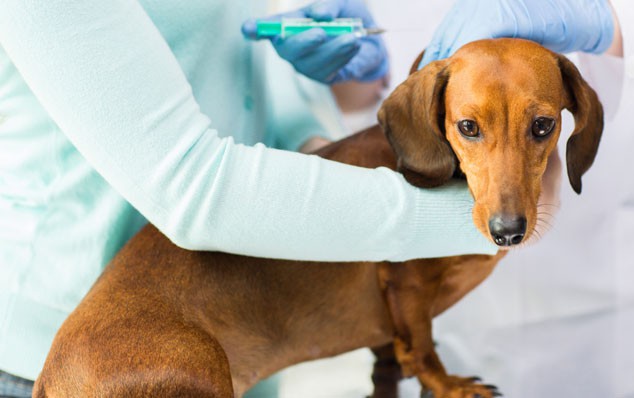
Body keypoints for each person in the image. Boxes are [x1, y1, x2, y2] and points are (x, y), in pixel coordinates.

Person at [0, 0, 505, 396]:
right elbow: (194, 188)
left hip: (228, 323)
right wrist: (492, 215)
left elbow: (241, 66)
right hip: (86, 361)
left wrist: (320, 112)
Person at [247, 0, 634, 396]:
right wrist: (353, 77)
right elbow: (373, 110)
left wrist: (612, 21)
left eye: (541, 127)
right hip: (456, 316)